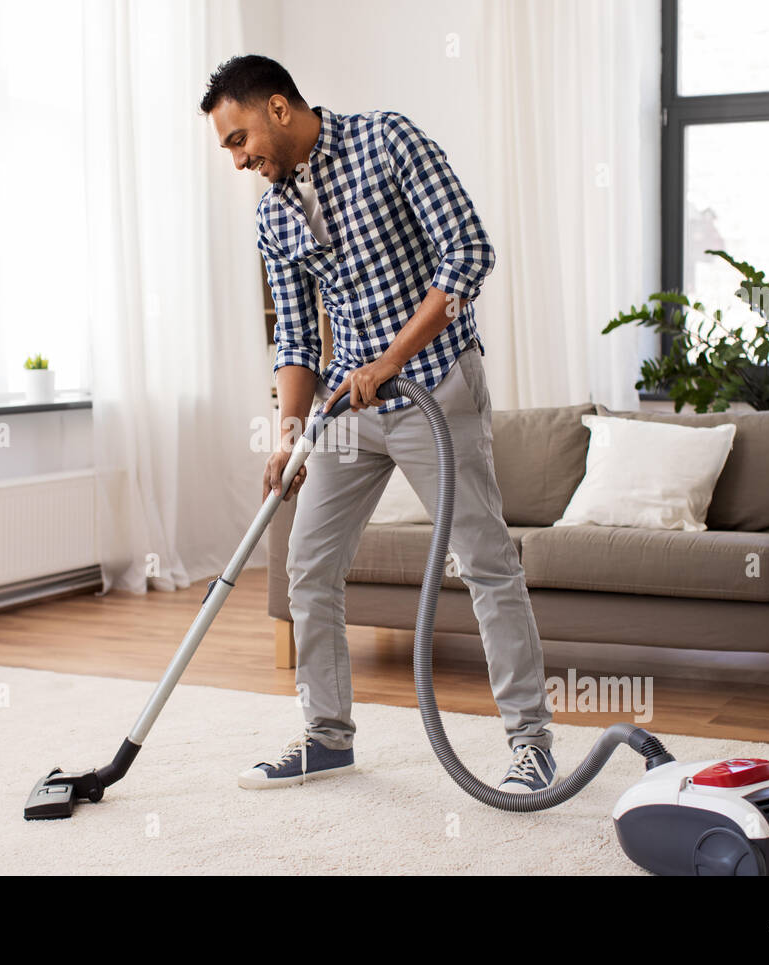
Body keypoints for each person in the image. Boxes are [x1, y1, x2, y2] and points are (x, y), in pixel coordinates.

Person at [201, 55, 555, 794]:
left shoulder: (387, 142)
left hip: (435, 387)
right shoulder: (273, 214)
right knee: (308, 567)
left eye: (237, 140)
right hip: (349, 409)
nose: (237, 161)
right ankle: (327, 737)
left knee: (486, 565)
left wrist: (392, 358)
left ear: (276, 107)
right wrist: (290, 429)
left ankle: (532, 744)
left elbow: (469, 254)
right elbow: (296, 338)